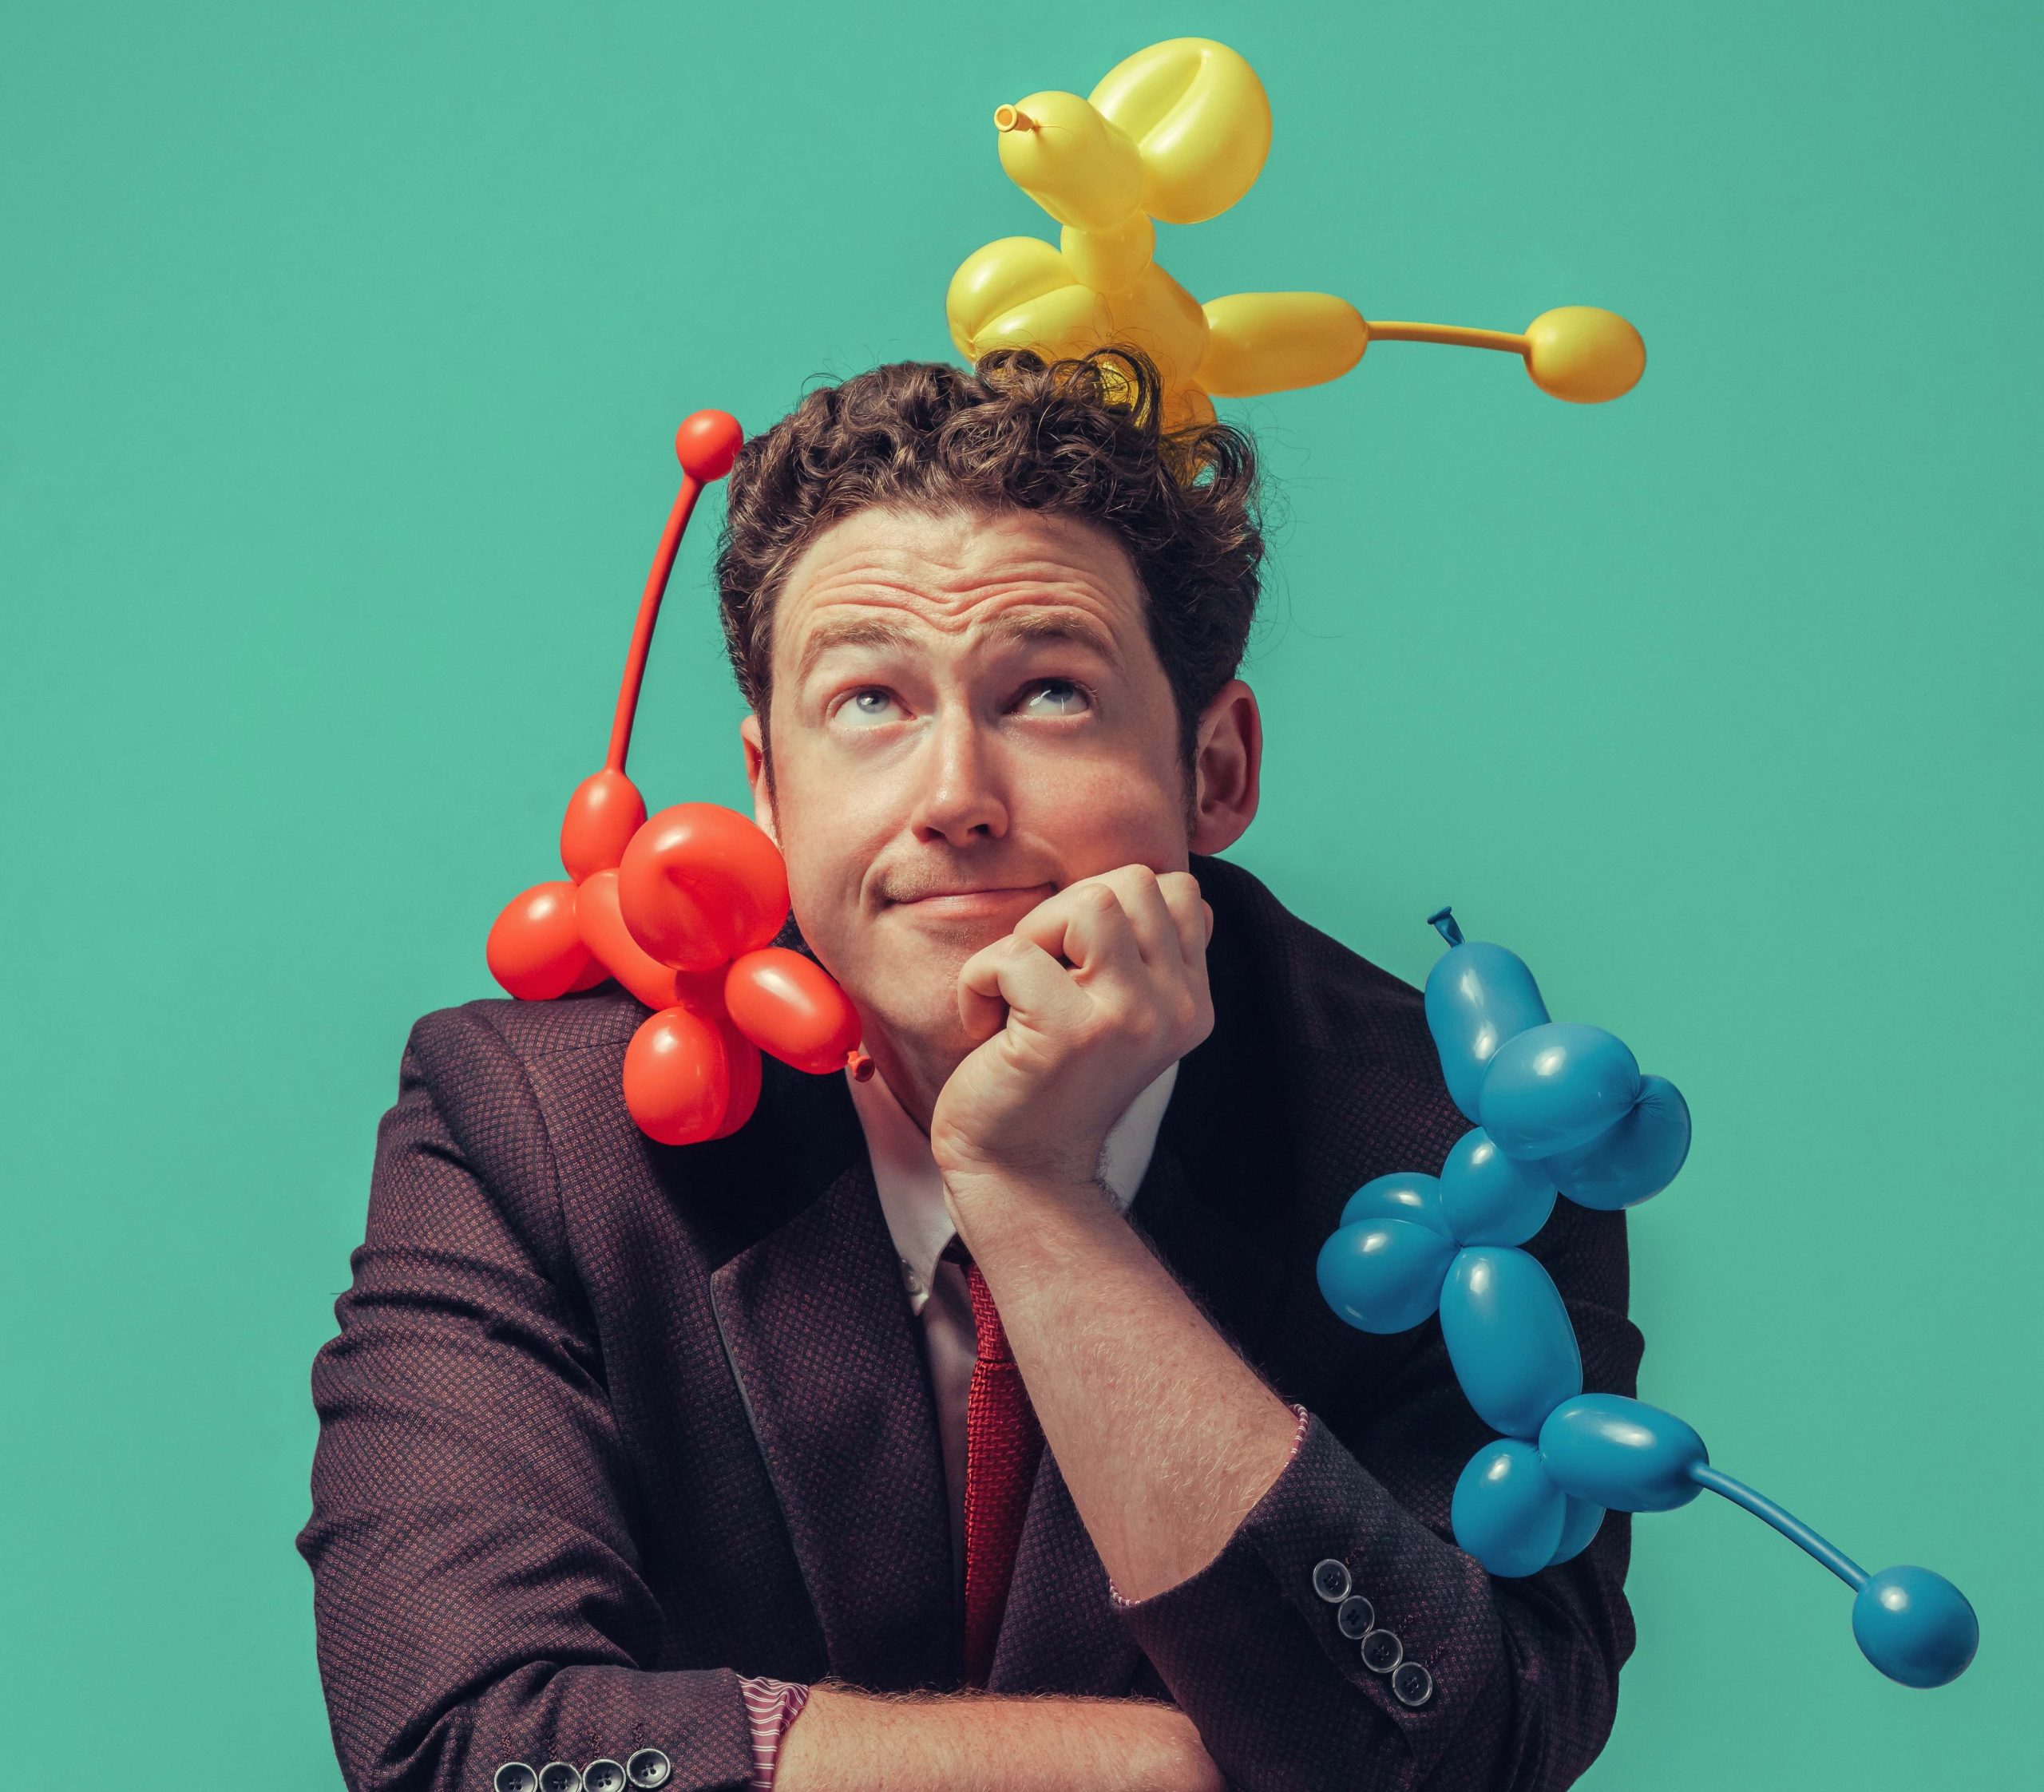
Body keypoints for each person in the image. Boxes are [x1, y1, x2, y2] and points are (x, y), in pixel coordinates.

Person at [298, 347, 1643, 1792]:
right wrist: (1145, 1776)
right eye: (869, 701)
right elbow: (460, 1744)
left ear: (1216, 767)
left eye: (1050, 691)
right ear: (767, 784)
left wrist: (1038, 1193)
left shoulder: (1471, 1141)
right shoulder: (532, 1126)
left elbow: (1465, 1756)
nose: (954, 800)